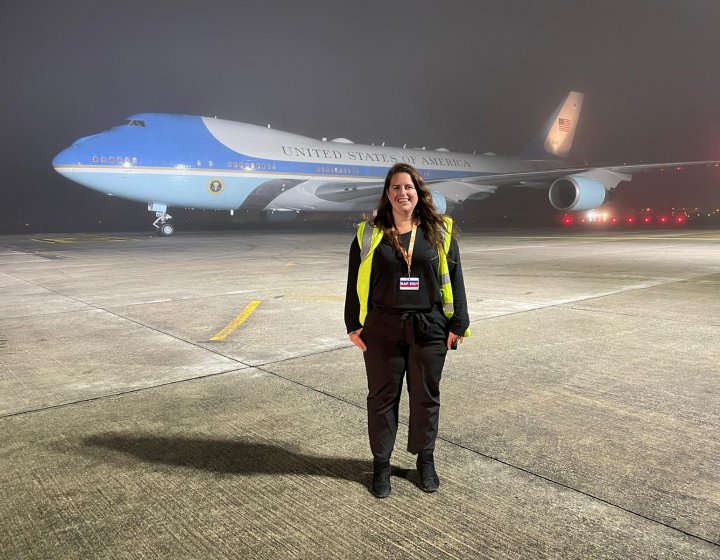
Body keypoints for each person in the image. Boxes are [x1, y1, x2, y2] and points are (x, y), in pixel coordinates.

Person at [344, 162, 470, 498]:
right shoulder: (369, 232)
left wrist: (459, 323)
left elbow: (455, 279)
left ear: (419, 193)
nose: (403, 193)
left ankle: (425, 461)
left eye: (409, 187)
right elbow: (354, 281)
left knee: (426, 398)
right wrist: (353, 324)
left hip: (429, 326)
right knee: (381, 399)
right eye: (396, 187)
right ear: (388, 193)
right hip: (383, 327)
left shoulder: (439, 230)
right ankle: (381, 465)